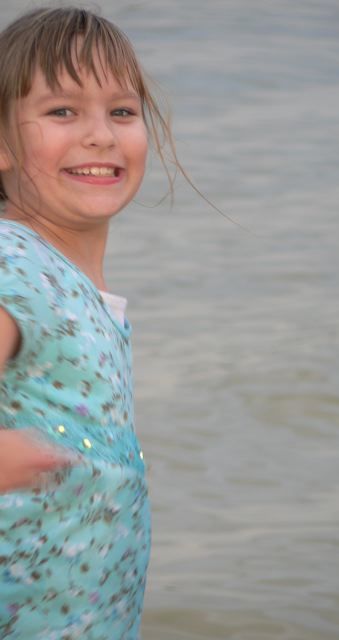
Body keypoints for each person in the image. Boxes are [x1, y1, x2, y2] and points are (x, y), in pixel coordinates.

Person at [0, 6, 177, 637]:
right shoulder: (16, 265)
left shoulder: (63, 280)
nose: (101, 135)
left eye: (122, 111)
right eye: (62, 111)